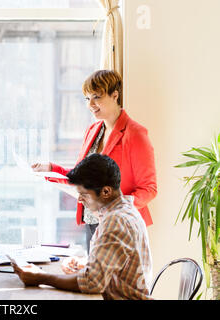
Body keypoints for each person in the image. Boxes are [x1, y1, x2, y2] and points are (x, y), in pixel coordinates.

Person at [32, 70, 157, 252]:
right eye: (87, 98)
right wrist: (50, 169)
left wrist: (115, 208)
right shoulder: (93, 130)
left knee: (114, 280)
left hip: (121, 227)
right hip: (93, 222)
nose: (90, 104)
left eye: (96, 97)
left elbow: (149, 189)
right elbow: (80, 177)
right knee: (94, 278)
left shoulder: (136, 134)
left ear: (115, 95)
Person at [14, 154, 153, 300]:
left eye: (84, 194)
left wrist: (41, 277)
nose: (79, 199)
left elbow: (92, 282)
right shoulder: (125, 210)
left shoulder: (116, 221)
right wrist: (88, 262)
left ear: (106, 192)